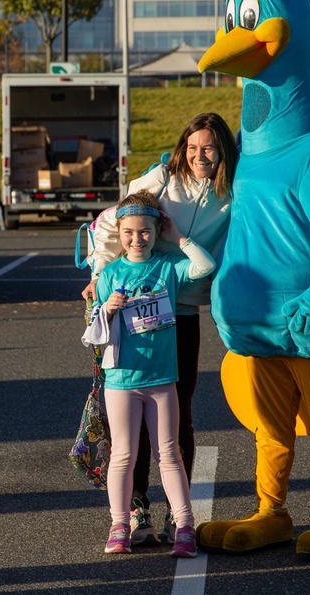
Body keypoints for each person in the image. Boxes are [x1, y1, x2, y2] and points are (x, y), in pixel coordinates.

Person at [81, 111, 238, 545]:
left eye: (208, 148)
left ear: (222, 149)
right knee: (127, 420)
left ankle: (176, 512)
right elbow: (114, 220)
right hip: (130, 299)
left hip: (181, 305)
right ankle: (134, 509)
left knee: (177, 414)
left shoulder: (233, 192)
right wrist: (99, 272)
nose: (198, 155)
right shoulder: (162, 179)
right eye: (192, 147)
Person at [81, 189, 215, 558]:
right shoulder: (109, 274)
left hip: (161, 380)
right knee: (123, 454)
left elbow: (204, 267)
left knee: (168, 453)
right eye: (129, 232)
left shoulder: (167, 268)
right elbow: (92, 332)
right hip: (121, 381)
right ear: (118, 234)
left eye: (145, 232)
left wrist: (179, 238)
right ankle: (119, 525)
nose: (137, 239)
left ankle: (185, 526)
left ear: (157, 232)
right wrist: (106, 308)